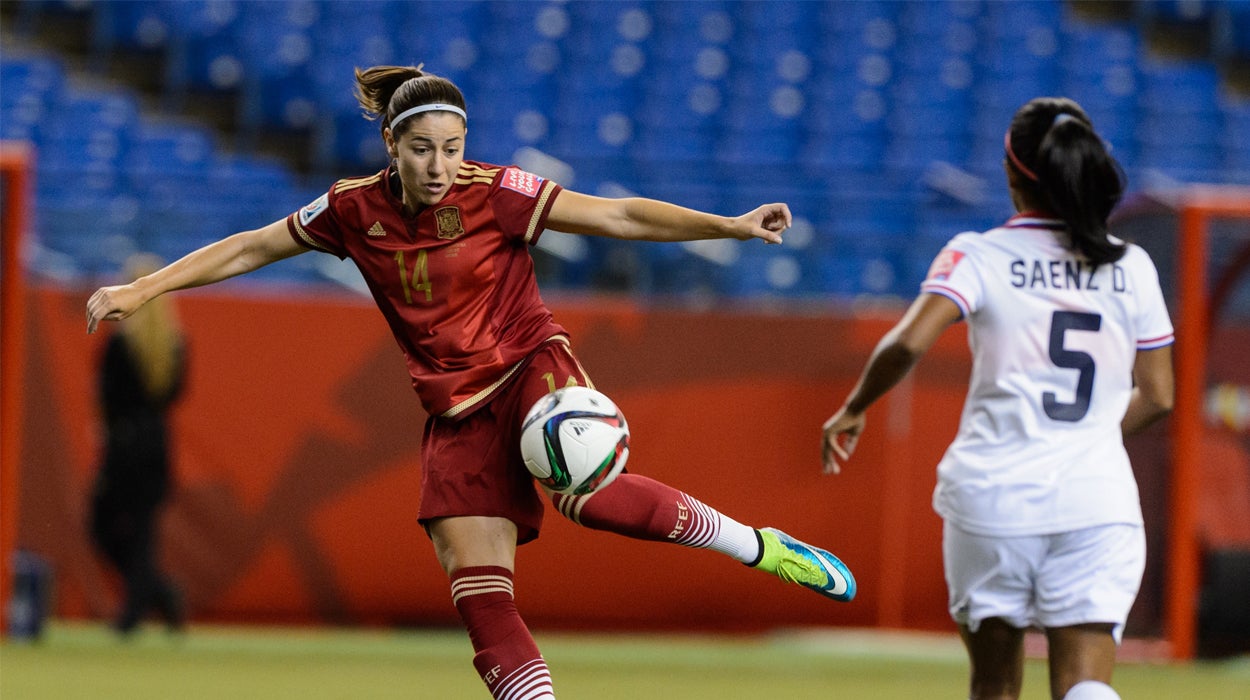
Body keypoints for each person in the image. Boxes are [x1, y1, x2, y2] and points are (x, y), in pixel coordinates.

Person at [86, 64, 855, 698]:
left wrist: (726, 225)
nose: (440, 165)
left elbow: (618, 217)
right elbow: (254, 248)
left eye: (453, 147)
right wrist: (145, 289)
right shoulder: (353, 210)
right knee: (480, 596)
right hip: (454, 413)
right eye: (422, 149)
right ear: (392, 144)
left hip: (529, 367)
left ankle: (757, 545)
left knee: (590, 494)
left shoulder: (498, 193)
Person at [821, 97, 1174, 700]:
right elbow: (1159, 395)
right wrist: (1084, 442)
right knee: (1085, 686)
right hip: (1097, 501)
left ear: (1013, 176)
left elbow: (906, 344)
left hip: (994, 500)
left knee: (993, 685)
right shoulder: (1131, 265)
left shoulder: (978, 255)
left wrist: (854, 407)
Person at [89, 253, 188, 636]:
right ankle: (156, 594)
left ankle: (138, 607)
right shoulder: (173, 343)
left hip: (123, 443)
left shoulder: (121, 345)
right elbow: (176, 394)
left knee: (103, 525)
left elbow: (106, 398)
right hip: (156, 443)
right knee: (144, 532)